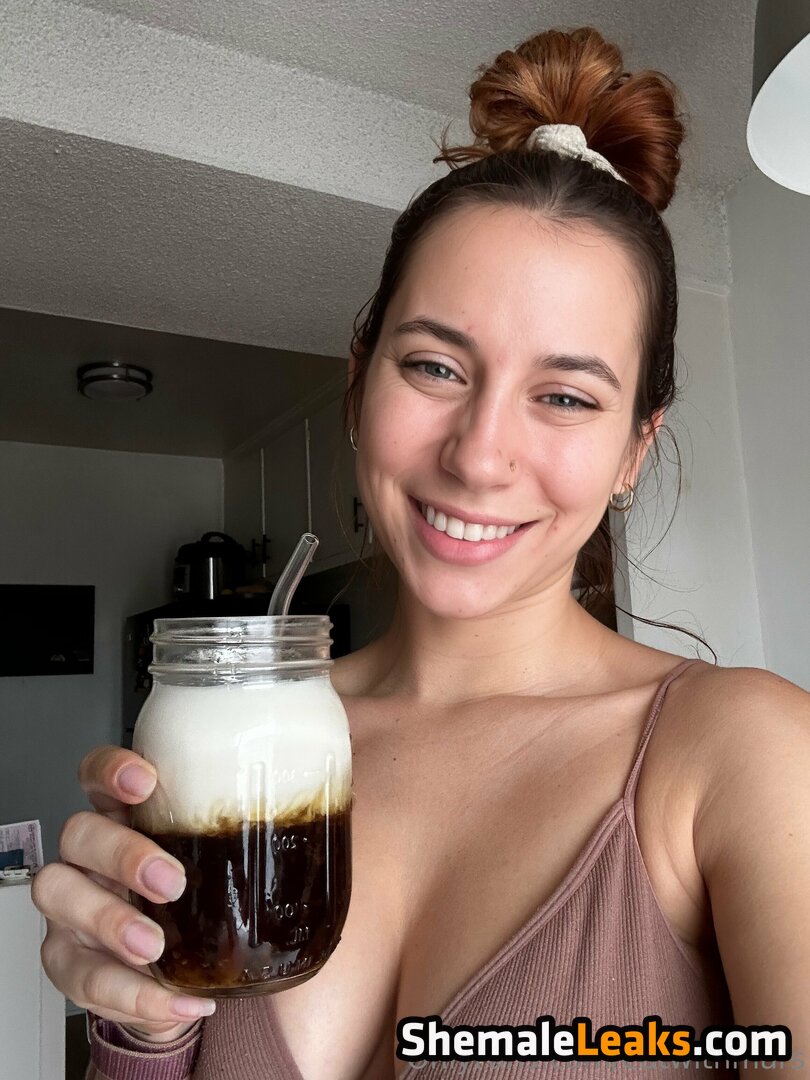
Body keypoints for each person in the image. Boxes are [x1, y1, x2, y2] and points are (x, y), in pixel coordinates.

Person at [33, 25, 810, 1080]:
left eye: (566, 396)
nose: (480, 455)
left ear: (636, 447)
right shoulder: (245, 746)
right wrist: (143, 1027)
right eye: (437, 367)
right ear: (360, 383)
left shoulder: (747, 756)